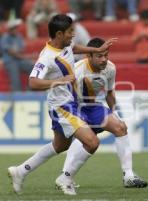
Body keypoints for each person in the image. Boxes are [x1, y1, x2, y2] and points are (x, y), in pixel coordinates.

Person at [7, 14, 117, 195]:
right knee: (92, 142)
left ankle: (20, 171)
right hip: (62, 107)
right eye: (69, 32)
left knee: (60, 146)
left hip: (71, 103)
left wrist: (97, 49)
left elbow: (75, 48)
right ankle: (65, 179)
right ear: (59, 34)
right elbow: (32, 83)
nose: (73, 35)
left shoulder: (65, 45)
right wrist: (59, 81)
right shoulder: (47, 57)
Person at [55, 37, 148, 189]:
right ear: (88, 55)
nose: (104, 59)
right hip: (74, 107)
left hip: (93, 107)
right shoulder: (78, 70)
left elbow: (109, 93)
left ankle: (128, 175)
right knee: (80, 141)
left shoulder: (110, 68)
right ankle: (65, 176)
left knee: (120, 127)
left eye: (106, 55)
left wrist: (113, 113)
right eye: (99, 56)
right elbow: (66, 96)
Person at [0, 18, 33, 91]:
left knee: (32, 67)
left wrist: (23, 56)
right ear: (10, 29)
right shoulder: (5, 38)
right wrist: (23, 57)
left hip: (19, 60)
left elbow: (21, 49)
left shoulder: (19, 36)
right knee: (15, 77)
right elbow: (11, 52)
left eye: (16, 28)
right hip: (9, 61)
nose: (16, 29)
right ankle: (17, 96)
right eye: (14, 28)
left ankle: (29, 89)